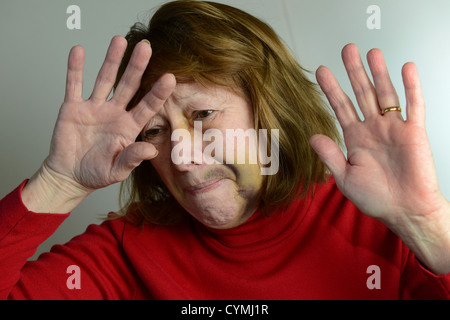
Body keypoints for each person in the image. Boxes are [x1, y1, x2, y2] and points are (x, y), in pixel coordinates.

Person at [0, 0, 449, 300]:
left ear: (270, 108)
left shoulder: (383, 226)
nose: (181, 155)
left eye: (202, 116)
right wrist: (58, 184)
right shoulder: (123, 253)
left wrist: (429, 227)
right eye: (154, 132)